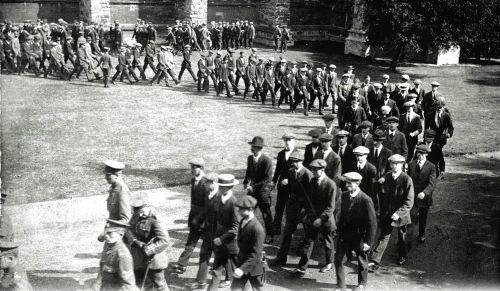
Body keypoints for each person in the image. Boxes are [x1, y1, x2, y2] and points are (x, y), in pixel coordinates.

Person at [292, 159, 338, 276]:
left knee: (328, 242)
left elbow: (331, 206)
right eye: (312, 169)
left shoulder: (330, 184)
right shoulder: (313, 181)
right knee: (308, 241)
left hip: (326, 220)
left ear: (322, 170)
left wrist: (321, 219)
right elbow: (310, 200)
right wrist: (307, 214)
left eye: (315, 170)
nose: (313, 172)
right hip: (313, 218)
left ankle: (329, 262)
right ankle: (302, 268)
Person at [369, 154, 414, 269]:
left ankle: (402, 256)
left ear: (402, 165)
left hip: (401, 214)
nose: (394, 166)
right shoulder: (388, 176)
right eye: (392, 164)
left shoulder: (406, 179)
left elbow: (409, 201)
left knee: (401, 237)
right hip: (388, 212)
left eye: (397, 164)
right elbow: (381, 190)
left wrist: (398, 213)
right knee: (383, 236)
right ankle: (375, 260)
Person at [334, 172, 377, 291]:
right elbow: (341, 215)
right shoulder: (344, 195)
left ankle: (361, 284)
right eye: (346, 182)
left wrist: (368, 242)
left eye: (350, 183)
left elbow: (372, 223)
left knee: (362, 261)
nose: (347, 185)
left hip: (359, 236)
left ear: (357, 183)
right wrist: (338, 230)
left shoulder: (365, 199)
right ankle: (341, 285)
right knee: (338, 259)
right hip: (345, 235)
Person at [272, 149, 313, 265]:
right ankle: (281, 258)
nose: (292, 163)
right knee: (287, 232)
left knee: (309, 235)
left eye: (294, 161)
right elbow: (291, 188)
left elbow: (311, 195)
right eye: (291, 161)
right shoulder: (291, 172)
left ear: (301, 161)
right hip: (292, 206)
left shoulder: (308, 174)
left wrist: (307, 210)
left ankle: (304, 264)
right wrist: (287, 182)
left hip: (304, 209)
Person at [126, 192, 170, 291]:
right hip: (138, 257)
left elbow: (165, 240)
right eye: (134, 208)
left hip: (153, 259)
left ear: (146, 206)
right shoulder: (137, 215)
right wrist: (135, 241)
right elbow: (128, 229)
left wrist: (148, 250)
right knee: (143, 284)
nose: (134, 210)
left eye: (137, 208)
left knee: (160, 285)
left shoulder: (154, 218)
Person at [173, 158, 209, 274]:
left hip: (204, 221)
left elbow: (207, 205)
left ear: (201, 168)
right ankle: (182, 264)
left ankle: (224, 267)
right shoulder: (194, 180)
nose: (192, 170)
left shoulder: (206, 183)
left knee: (209, 246)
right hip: (195, 219)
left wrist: (200, 219)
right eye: (191, 167)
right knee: (191, 242)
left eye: (194, 168)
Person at [208, 174, 240, 291]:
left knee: (241, 272)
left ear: (229, 187)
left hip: (231, 245)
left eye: (222, 186)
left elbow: (235, 228)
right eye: (219, 186)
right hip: (220, 244)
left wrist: (221, 239)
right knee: (216, 271)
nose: (220, 188)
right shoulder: (218, 199)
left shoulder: (234, 203)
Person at [231, 196, 266, 291]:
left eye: (241, 209)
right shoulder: (243, 221)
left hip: (253, 268)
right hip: (242, 264)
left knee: (258, 288)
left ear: (250, 209)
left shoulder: (257, 229)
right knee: (235, 288)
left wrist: (242, 269)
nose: (238, 211)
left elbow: (256, 254)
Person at [243, 136, 274, 243]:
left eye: (254, 147)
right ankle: (246, 234)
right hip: (252, 191)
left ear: (260, 148)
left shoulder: (267, 161)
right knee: (247, 211)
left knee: (266, 214)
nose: (252, 148)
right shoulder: (250, 158)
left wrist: (253, 186)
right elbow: (248, 172)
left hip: (263, 192)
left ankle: (270, 235)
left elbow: (267, 179)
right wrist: (245, 182)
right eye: (252, 146)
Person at [97, 219, 137, 291]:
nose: (106, 236)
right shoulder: (109, 248)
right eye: (106, 232)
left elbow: (128, 285)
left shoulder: (122, 255)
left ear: (121, 234)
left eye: (110, 233)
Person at [407, 145, 436, 244]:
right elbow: (408, 180)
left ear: (426, 154)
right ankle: (407, 238)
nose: (420, 155)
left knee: (423, 217)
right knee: (411, 216)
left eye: (423, 154)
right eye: (418, 153)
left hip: (424, 198)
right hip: (413, 196)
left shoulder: (431, 167)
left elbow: (432, 184)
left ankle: (422, 233)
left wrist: (424, 192)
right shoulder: (411, 164)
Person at [271, 133, 296, 236]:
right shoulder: (281, 154)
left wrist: (290, 181)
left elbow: (300, 172)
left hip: (293, 187)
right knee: (279, 207)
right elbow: (278, 170)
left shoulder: (298, 154)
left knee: (292, 209)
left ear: (294, 141)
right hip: (282, 186)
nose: (287, 142)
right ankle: (276, 229)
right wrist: (273, 181)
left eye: (289, 140)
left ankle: (291, 230)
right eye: (285, 140)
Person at [367, 130, 393, 213]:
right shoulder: (368, 151)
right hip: (371, 181)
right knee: (371, 201)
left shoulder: (388, 152)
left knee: (383, 202)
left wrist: (384, 178)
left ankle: (382, 218)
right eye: (374, 140)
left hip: (382, 182)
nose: (375, 142)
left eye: (377, 141)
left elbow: (390, 169)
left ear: (381, 141)